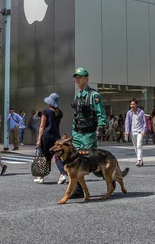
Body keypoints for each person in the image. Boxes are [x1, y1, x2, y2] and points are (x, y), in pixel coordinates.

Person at [70, 67, 108, 198]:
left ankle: (109, 177)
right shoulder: (78, 96)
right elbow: (76, 115)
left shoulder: (94, 95)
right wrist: (73, 132)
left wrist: (101, 127)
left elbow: (100, 112)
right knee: (75, 160)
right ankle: (77, 189)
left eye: (80, 77)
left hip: (88, 134)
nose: (77, 79)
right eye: (76, 77)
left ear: (87, 78)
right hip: (77, 134)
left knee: (91, 161)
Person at [35, 93, 65, 184]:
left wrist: (39, 139)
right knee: (57, 156)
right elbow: (58, 126)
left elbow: (42, 126)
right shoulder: (60, 112)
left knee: (43, 156)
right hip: (56, 136)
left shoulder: (46, 111)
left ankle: (41, 177)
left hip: (46, 136)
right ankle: (62, 175)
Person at [125, 99, 147, 167]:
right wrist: (127, 131)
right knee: (135, 147)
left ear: (136, 104)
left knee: (139, 145)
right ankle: (141, 160)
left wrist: (144, 131)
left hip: (140, 131)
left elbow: (144, 122)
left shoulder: (141, 112)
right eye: (131, 104)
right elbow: (127, 122)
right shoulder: (129, 113)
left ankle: (139, 160)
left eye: (133, 104)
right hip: (132, 131)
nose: (132, 106)